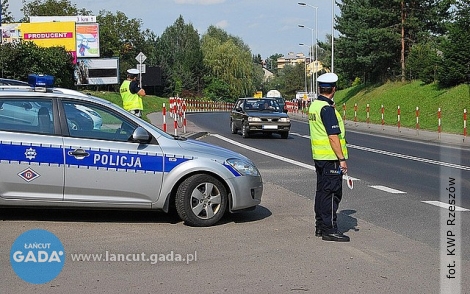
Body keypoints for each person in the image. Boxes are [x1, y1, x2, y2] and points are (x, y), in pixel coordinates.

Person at [308, 73, 350, 242]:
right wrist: (341, 159)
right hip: (331, 157)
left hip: (319, 157)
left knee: (321, 193)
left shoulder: (315, 106)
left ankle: (320, 226)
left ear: (320, 88)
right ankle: (329, 229)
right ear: (334, 89)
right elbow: (333, 137)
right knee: (332, 194)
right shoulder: (327, 109)